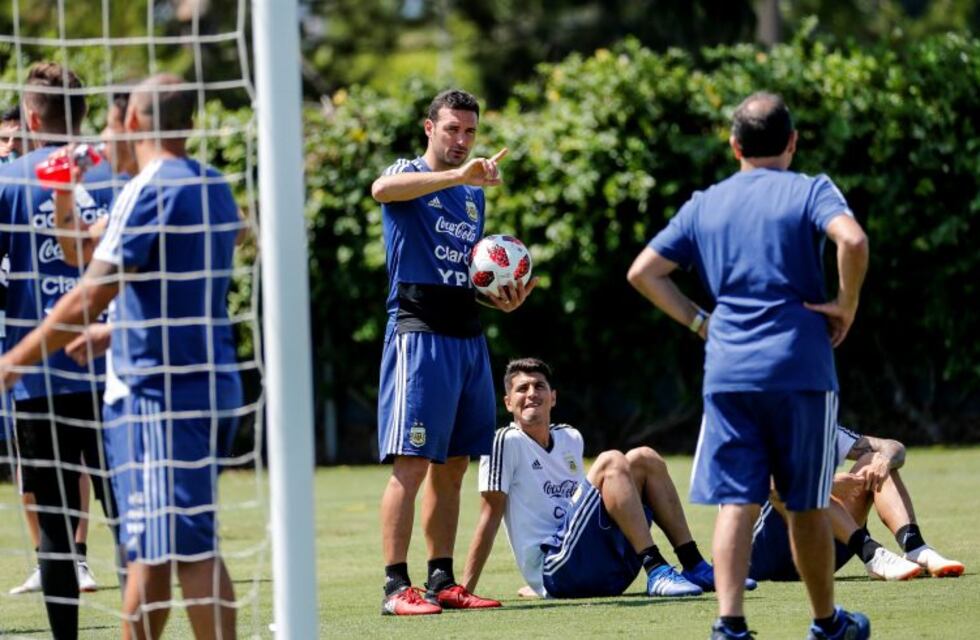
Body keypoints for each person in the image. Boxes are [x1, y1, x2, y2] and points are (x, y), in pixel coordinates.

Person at [0, 73, 243, 639]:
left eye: (114, 120)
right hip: (199, 379)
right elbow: (88, 249)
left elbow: (90, 292)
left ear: (131, 121)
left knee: (186, 550)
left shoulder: (151, 187)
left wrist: (15, 362)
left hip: (160, 393)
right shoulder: (210, 183)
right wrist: (63, 192)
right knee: (150, 550)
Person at [627, 91, 871, 640]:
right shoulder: (811, 188)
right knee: (806, 503)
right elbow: (852, 239)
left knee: (737, 498)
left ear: (734, 145)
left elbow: (644, 272)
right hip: (801, 368)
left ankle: (729, 624)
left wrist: (698, 321)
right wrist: (846, 304)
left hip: (730, 370)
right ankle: (827, 624)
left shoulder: (704, 203)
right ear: (792, 142)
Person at [371, 88, 536, 615]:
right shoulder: (412, 172)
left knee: (455, 466)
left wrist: (499, 299)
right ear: (429, 128)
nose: (462, 140)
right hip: (418, 334)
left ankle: (442, 580)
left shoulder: (473, 196)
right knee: (413, 463)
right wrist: (455, 175)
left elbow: (467, 272)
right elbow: (382, 190)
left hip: (467, 337)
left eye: (469, 131)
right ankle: (396, 588)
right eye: (452, 129)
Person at [463, 357, 758, 600]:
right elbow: (489, 516)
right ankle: (655, 568)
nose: (531, 394)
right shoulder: (505, 441)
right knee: (611, 461)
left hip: (602, 568)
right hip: (557, 569)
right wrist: (467, 591)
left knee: (645, 458)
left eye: (539, 386)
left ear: (553, 397)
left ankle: (694, 565)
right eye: (522, 388)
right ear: (508, 402)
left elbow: (581, 510)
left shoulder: (569, 437)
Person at [0, 62, 118, 638]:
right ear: (86, 112)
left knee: (51, 524)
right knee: (130, 521)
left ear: (29, 116)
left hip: (36, 377)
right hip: (118, 374)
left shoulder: (8, 181)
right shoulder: (117, 173)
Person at [750, 424, 965, 582]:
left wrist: (884, 461)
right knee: (798, 489)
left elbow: (893, 447)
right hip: (764, 555)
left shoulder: (821, 425)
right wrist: (828, 484)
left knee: (874, 460)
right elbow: (770, 485)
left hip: (821, 549)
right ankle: (871, 553)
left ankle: (915, 548)